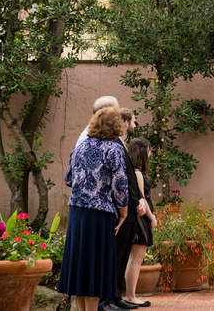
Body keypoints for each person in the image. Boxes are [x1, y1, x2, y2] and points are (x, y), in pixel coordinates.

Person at [58, 107, 131, 311]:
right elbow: (120, 185)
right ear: (115, 126)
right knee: (94, 270)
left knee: (81, 267)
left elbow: (69, 179)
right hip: (100, 215)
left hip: (78, 214)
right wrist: (123, 213)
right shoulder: (113, 150)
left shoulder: (79, 147)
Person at [106, 109, 147, 310]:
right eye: (134, 121)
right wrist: (135, 201)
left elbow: (129, 179)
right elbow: (121, 181)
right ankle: (108, 299)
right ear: (125, 122)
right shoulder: (114, 145)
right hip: (122, 210)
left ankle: (116, 296)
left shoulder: (121, 146)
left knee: (122, 256)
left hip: (130, 210)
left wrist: (139, 199)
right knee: (116, 255)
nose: (135, 125)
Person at [122, 137, 157, 308]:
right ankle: (131, 295)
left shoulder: (136, 172)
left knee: (137, 257)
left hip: (142, 217)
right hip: (141, 218)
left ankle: (131, 295)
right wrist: (152, 218)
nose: (150, 154)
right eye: (149, 150)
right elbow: (142, 199)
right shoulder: (137, 173)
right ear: (143, 152)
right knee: (136, 258)